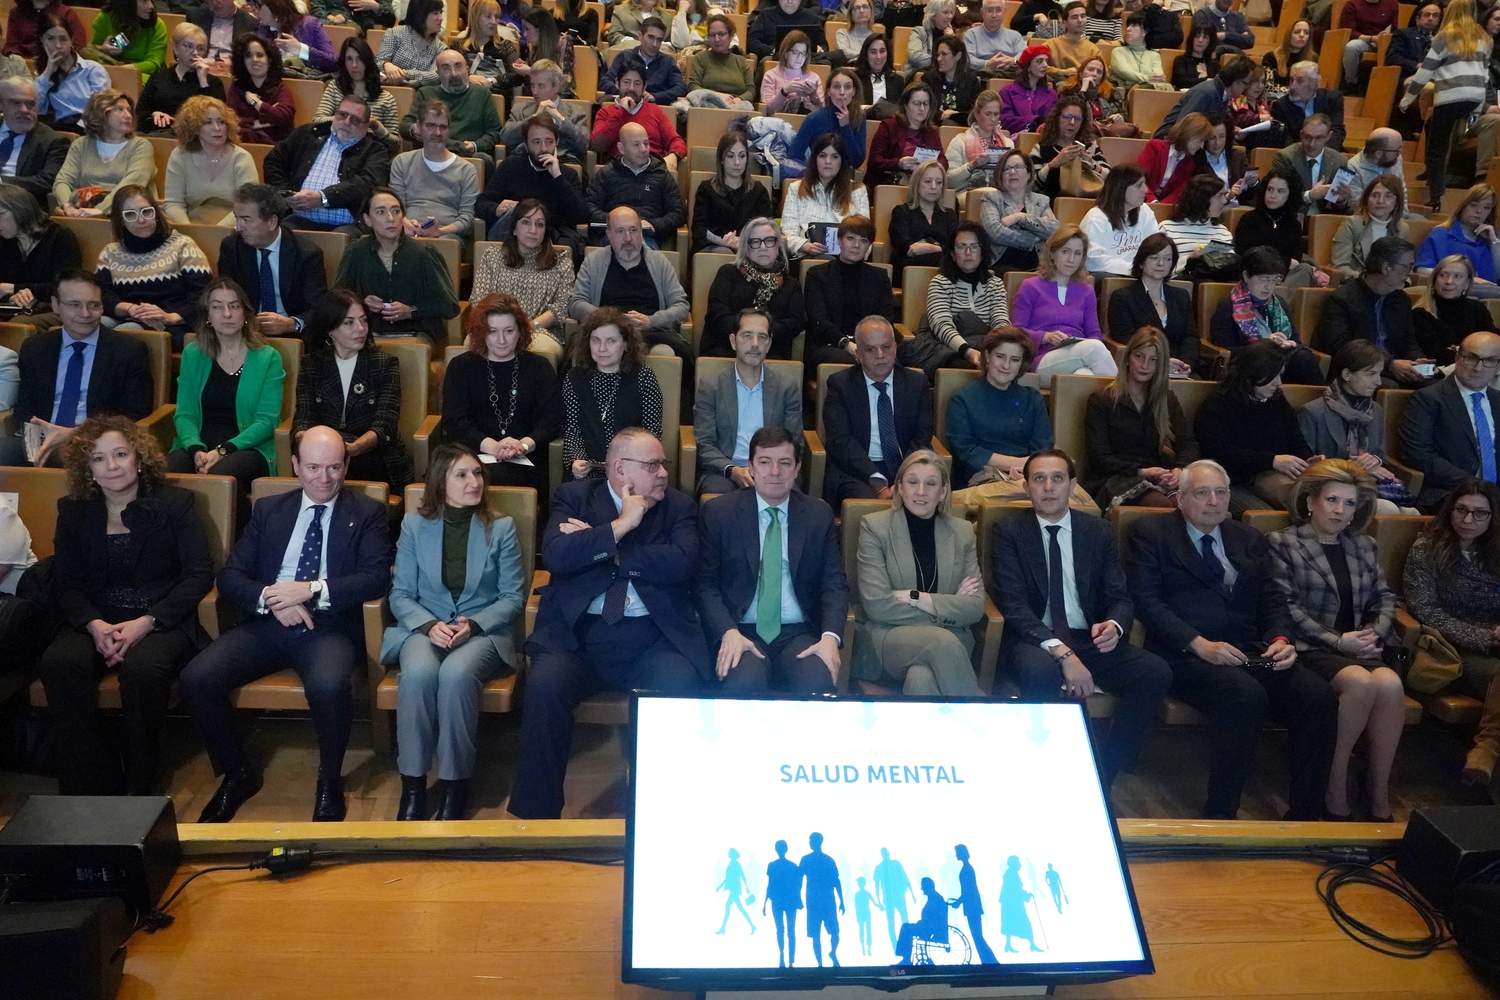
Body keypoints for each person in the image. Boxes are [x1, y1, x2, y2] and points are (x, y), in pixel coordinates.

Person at [181, 425, 390, 823]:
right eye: (313, 467)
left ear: (346, 466)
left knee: (330, 686)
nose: (323, 478)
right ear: (295, 465)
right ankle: (236, 771)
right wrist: (272, 598)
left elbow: (375, 577)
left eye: (333, 467)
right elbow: (231, 576)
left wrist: (308, 590)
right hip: (267, 621)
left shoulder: (367, 513)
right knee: (197, 677)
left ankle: (330, 779)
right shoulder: (269, 510)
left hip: (327, 626)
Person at [1124, 458, 1338, 819]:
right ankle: (1221, 812)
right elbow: (1146, 603)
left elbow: (1273, 598)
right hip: (1186, 655)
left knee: (1318, 696)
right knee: (1244, 694)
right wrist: (1198, 643)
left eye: (1221, 492)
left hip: (1250, 650)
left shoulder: (1249, 537)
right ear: (1181, 499)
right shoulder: (1151, 534)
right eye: (1202, 493)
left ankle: (1306, 815)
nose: (1214, 501)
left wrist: (1282, 638)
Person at [508, 426, 705, 818]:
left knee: (679, 683)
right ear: (619, 469)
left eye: (663, 463)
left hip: (652, 638)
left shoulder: (678, 507)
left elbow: (683, 564)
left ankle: (662, 813)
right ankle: (535, 817)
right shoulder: (575, 496)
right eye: (653, 465)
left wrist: (604, 545)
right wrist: (620, 525)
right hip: (579, 637)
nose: (664, 472)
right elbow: (560, 555)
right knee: (545, 685)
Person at [38, 416, 210, 795]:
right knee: (60, 662)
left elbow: (198, 574)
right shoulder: (74, 510)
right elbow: (66, 582)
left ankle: (140, 779)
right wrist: (94, 625)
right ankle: (87, 782)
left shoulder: (175, 504)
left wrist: (146, 622)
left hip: (160, 618)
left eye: (120, 454)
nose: (112, 466)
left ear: (139, 458)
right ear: (88, 468)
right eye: (99, 459)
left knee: (144, 669)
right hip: (96, 618)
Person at [992, 448, 1172, 787]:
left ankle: (1106, 773)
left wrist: (1115, 626)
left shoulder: (1097, 531)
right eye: (1039, 479)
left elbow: (1119, 595)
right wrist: (1063, 652)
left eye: (1057, 479)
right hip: (1036, 639)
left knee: (1153, 671)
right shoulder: (1010, 531)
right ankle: (1042, 772)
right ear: (1027, 487)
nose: (1048, 487)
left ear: (1072, 485)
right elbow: (1014, 605)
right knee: (1038, 671)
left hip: (1088, 636)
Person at [382, 443, 522, 821]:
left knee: (457, 675)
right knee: (420, 675)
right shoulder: (414, 524)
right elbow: (400, 594)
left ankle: (454, 785)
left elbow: (512, 597)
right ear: (440, 482)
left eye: (477, 473)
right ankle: (412, 785)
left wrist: (472, 624)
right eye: (462, 475)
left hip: (481, 631)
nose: (474, 481)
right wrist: (429, 626)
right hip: (423, 626)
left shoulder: (501, 527)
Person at [1268, 460, 1402, 820]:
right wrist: (1340, 641)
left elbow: (1385, 597)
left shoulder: (1363, 546)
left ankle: (1378, 790)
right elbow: (1286, 607)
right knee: (1359, 682)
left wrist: (1377, 630)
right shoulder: (1284, 543)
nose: (1340, 511)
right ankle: (1335, 783)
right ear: (1311, 502)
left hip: (1361, 645)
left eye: (1349, 503)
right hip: (1314, 648)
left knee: (1390, 684)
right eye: (1332, 500)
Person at [698, 427, 847, 693]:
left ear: (797, 468)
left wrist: (830, 638)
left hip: (799, 633)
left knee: (816, 681)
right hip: (741, 631)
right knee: (743, 682)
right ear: (751, 467)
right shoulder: (720, 513)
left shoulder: (817, 514)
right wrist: (727, 631)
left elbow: (833, 583)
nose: (775, 472)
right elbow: (705, 586)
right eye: (765, 462)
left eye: (784, 463)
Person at [852, 450, 984, 695]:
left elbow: (975, 607)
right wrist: (948, 608)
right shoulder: (875, 527)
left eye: (931, 483)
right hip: (889, 638)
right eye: (912, 482)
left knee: (921, 678)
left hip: (948, 643)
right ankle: (982, 720)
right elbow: (878, 606)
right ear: (900, 487)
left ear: (943, 491)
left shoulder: (962, 532)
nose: (921, 491)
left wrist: (918, 598)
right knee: (941, 641)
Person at [0, 270, 152, 469]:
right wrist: (43, 437)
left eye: (94, 305)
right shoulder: (35, 347)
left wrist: (77, 434)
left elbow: (133, 414)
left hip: (98, 442)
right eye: (74, 305)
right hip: (42, 438)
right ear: (55, 305)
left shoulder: (128, 350)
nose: (85, 314)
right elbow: (24, 407)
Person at [1404, 480, 1500, 791]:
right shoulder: (1427, 549)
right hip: (1457, 646)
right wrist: (1485, 638)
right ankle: (1487, 749)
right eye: (1462, 510)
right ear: (1450, 510)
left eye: (1479, 513)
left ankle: (1487, 749)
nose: (1468, 520)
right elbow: (1425, 610)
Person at [167, 278, 284, 504]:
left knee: (220, 476)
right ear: (208, 316)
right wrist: (195, 449)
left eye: (234, 306)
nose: (227, 314)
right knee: (168, 473)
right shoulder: (194, 354)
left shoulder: (268, 357)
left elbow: (267, 421)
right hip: (198, 443)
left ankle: (230, 539)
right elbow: (185, 413)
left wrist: (223, 451)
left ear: (245, 314)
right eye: (217, 307)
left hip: (248, 447)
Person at [294, 288, 415, 489]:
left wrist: (351, 449)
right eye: (349, 323)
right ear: (330, 329)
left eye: (364, 320)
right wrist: (306, 441)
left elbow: (385, 425)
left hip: (373, 454)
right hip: (325, 454)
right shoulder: (312, 365)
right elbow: (304, 418)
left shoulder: (383, 364)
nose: (360, 328)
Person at [439, 293, 559, 492]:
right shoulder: (461, 366)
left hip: (525, 457)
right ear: (481, 333)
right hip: (471, 454)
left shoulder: (539, 367)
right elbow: (454, 421)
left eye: (509, 331)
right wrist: (493, 447)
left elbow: (551, 420)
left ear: (520, 331)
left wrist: (523, 445)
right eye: (493, 332)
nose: (501, 340)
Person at [822, 316, 933, 505]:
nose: (880, 355)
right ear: (858, 353)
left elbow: (922, 437)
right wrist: (878, 482)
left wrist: (903, 478)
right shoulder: (840, 385)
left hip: (906, 465)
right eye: (870, 349)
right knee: (872, 507)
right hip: (858, 470)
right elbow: (841, 442)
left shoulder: (916, 383)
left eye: (886, 347)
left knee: (924, 496)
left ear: (895, 347)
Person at [1194, 341, 1317, 512]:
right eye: (1273, 376)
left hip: (1274, 473)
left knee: (1317, 492)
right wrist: (1272, 461)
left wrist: (1308, 459)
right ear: (1252, 374)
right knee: (1286, 503)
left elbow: (1295, 438)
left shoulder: (1277, 400)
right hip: (1237, 480)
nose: (1278, 383)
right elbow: (1220, 454)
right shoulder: (1218, 405)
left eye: (1280, 375)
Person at [692, 309, 804, 496]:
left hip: (774, 469)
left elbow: (794, 440)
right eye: (747, 336)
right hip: (725, 471)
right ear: (733, 341)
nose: (754, 344)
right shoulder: (712, 385)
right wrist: (733, 469)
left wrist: (769, 468)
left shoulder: (786, 386)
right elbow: (704, 443)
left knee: (794, 506)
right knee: (720, 504)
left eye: (762, 337)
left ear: (769, 344)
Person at [1085, 327, 1199, 509]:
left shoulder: (1167, 399)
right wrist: (1141, 471)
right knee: (1162, 505)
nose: (1145, 365)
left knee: (1194, 505)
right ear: (1128, 358)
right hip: (1114, 478)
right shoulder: (1102, 400)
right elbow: (1100, 457)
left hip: (1158, 476)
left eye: (1153, 360)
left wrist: (1179, 470)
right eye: (1139, 356)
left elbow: (1188, 444)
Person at [333, 187, 460, 346]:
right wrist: (362, 304)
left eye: (396, 211)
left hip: (415, 332)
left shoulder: (424, 253)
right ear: (367, 219)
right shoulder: (356, 251)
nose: (390, 218)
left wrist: (412, 311)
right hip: (367, 331)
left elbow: (449, 306)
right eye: (381, 212)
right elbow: (337, 300)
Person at [1298, 341, 1412, 512]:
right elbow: (1307, 467)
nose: (1378, 381)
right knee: (1389, 510)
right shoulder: (1312, 412)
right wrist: (1353, 467)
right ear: (1347, 374)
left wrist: (1375, 461)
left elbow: (1379, 453)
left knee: (1412, 512)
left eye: (1379, 374)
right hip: (1333, 491)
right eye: (1371, 374)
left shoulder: (1376, 410)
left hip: (1369, 484)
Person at [96, 184, 212, 350]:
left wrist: (170, 317)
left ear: (156, 213)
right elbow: (101, 295)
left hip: (172, 324)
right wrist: (129, 309)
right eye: (130, 214)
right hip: (126, 316)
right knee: (91, 326)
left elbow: (204, 296)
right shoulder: (110, 252)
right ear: (120, 220)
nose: (141, 220)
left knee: (126, 334)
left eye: (147, 211)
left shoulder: (183, 246)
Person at [1398, 0, 1491, 204]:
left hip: (1451, 96)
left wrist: (1407, 99)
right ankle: (1432, 173)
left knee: (1436, 148)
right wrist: (1478, 106)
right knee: (1433, 124)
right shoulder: (1484, 38)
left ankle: (1435, 194)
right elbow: (1484, 76)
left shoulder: (1444, 37)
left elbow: (1425, 72)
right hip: (1474, 96)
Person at [567, 206, 690, 359]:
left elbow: (682, 306)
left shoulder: (660, 262)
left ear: (641, 233)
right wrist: (610, 319)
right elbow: (575, 303)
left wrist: (652, 320)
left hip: (650, 333)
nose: (628, 238)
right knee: (575, 353)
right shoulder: (594, 261)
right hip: (604, 331)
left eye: (633, 230)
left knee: (671, 354)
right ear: (609, 234)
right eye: (620, 231)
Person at [560, 309, 664, 482]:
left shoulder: (643, 376)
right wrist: (575, 460)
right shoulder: (574, 377)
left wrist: (631, 464)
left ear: (625, 344)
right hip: (587, 471)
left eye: (611, 341)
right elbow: (572, 430)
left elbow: (651, 431)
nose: (602, 348)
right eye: (596, 341)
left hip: (633, 470)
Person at [1400, 331, 1500, 511]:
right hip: (1449, 491)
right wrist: (1476, 485)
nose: (1478, 368)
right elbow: (1418, 455)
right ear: (1458, 357)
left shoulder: (1498, 401)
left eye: (1489, 361)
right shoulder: (1427, 399)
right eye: (1471, 358)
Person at [470, 199, 573, 366]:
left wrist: (528, 327)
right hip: (494, 327)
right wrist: (504, 329)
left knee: (543, 350)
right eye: (526, 222)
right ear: (515, 228)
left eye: (540, 225)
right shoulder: (492, 257)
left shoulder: (561, 261)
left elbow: (561, 306)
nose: (533, 230)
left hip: (540, 330)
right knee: (474, 344)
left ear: (546, 231)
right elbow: (479, 301)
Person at [217, 184, 327, 341]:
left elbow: (319, 308)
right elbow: (226, 295)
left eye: (246, 220)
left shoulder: (306, 254)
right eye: (237, 218)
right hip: (245, 331)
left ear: (271, 222)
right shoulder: (232, 247)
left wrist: (291, 323)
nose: (238, 227)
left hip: (293, 333)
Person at [1319, 237, 1432, 386]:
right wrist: (1389, 363)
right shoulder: (1342, 298)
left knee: (1435, 386)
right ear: (1386, 268)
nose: (1410, 274)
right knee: (1389, 385)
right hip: (1359, 369)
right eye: (1407, 267)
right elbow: (1342, 346)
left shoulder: (1401, 299)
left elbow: (1408, 341)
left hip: (1395, 365)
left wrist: (1417, 361)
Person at [1209, 247, 1326, 387]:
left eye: (1273, 280)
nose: (1268, 287)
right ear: (1246, 276)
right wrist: (1265, 346)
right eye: (1263, 279)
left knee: (1303, 357)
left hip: (1282, 362)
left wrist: (1288, 344)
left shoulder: (1279, 304)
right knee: (1301, 360)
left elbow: (1295, 340)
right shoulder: (1228, 305)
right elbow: (1226, 350)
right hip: (1249, 366)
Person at [477, 114, 590, 258]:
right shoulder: (510, 167)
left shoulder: (567, 174)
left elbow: (582, 216)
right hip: (514, 238)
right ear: (526, 144)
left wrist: (557, 176)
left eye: (549, 142)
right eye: (536, 142)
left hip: (550, 241)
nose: (543, 148)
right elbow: (481, 204)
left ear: (557, 142)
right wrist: (497, 209)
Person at [1013, 226, 1119, 377]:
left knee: (1085, 375)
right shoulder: (1030, 286)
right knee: (1095, 349)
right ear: (1052, 254)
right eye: (1065, 252)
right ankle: (1121, 397)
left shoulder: (1086, 291)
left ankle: (1112, 399)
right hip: (1042, 359)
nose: (1071, 259)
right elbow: (1017, 332)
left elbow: (1094, 334)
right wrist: (1045, 337)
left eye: (1077, 254)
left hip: (1080, 354)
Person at [703, 219, 805, 360]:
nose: (763, 247)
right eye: (755, 241)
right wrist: (748, 334)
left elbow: (795, 323)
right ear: (746, 246)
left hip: (772, 352)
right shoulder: (728, 273)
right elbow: (717, 316)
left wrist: (762, 335)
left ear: (778, 246)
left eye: (769, 240)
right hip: (727, 349)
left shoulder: (791, 284)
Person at [912, 224, 1008, 374]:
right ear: (952, 253)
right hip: (949, 349)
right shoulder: (940, 282)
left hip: (986, 346)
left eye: (974, 246)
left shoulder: (995, 283)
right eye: (961, 247)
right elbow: (941, 325)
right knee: (964, 366)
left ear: (983, 252)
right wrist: (967, 351)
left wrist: (995, 350)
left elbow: (1000, 321)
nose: (968, 252)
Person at [803, 216, 894, 368]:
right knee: (856, 361)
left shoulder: (879, 277)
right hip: (828, 345)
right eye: (850, 238)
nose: (857, 245)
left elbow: (885, 319)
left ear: (869, 246)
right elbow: (818, 320)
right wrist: (846, 344)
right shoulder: (817, 274)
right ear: (840, 240)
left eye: (864, 240)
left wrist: (868, 347)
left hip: (870, 346)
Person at [389, 99, 481, 243]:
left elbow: (467, 219)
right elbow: (395, 207)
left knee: (444, 244)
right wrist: (405, 224)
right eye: (431, 126)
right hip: (408, 231)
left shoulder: (466, 170)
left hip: (446, 235)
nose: (437, 132)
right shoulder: (402, 162)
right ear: (418, 127)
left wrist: (439, 231)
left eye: (443, 127)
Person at [51, 89, 153, 217]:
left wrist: (101, 210)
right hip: (81, 212)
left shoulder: (141, 146)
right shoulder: (81, 144)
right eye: (120, 109)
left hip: (127, 213)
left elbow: (132, 184)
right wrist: (67, 205)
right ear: (101, 113)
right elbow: (62, 181)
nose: (128, 115)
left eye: (129, 110)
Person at [161, 97, 257, 227]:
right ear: (193, 127)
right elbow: (174, 203)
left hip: (234, 228)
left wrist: (215, 232)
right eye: (208, 122)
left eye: (221, 122)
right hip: (190, 226)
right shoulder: (180, 155)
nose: (217, 128)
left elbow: (248, 205)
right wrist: (189, 231)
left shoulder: (241, 158)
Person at [1107, 235, 1197, 374]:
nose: (1161, 263)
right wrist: (1162, 362)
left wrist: (1185, 364)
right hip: (1142, 367)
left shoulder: (1181, 296)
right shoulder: (1123, 297)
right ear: (1141, 262)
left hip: (1179, 368)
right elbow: (1126, 338)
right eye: (1154, 258)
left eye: (1167, 259)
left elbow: (1190, 337)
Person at [587, 121, 684, 246]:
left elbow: (678, 212)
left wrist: (654, 224)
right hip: (614, 237)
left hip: (646, 237)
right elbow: (589, 207)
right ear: (621, 148)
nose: (643, 149)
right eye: (636, 145)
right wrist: (616, 221)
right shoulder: (606, 174)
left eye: (646, 143)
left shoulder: (661, 174)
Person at [397, 50, 503, 163]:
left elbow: (494, 132)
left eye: (458, 66)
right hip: (434, 152)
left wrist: (474, 145)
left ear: (467, 69)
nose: (454, 73)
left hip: (470, 155)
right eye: (446, 68)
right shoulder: (425, 93)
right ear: (438, 73)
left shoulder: (482, 94)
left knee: (484, 159)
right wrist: (414, 129)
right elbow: (405, 126)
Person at [0, 183, 83, 323]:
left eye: (0, 214)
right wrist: (13, 294)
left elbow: (67, 287)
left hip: (54, 307)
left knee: (19, 324)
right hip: (13, 307)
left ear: (20, 210)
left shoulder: (60, 237)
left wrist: (16, 288)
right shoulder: (4, 240)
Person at [781, 134, 870, 259]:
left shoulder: (857, 191)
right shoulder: (796, 188)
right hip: (807, 255)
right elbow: (788, 232)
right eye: (822, 156)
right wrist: (804, 245)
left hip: (846, 258)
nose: (828, 161)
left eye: (834, 157)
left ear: (842, 161)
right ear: (815, 159)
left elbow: (865, 233)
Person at [589, 63, 685, 170]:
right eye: (626, 82)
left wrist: (674, 156)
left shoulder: (655, 111)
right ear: (617, 83)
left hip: (652, 169)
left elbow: (677, 141)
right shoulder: (606, 112)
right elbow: (597, 145)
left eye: (637, 84)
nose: (631, 88)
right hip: (619, 170)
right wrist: (620, 111)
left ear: (644, 87)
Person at [693, 130, 773, 255]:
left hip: (751, 246)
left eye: (742, 156)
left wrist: (744, 241)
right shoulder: (706, 189)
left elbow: (767, 229)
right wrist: (723, 242)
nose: (737, 162)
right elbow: (699, 230)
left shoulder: (758, 190)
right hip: (714, 246)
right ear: (721, 159)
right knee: (724, 253)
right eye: (730, 156)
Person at [137, 23, 225, 133]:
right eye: (188, 46)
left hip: (196, 139)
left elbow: (216, 121)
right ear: (175, 47)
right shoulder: (159, 77)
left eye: (201, 48)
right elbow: (140, 113)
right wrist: (154, 114)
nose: (195, 53)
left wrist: (203, 82)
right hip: (160, 134)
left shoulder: (213, 83)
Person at [978, 151, 1056, 273]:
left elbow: (1054, 230)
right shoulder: (991, 198)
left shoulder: (1040, 201)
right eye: (1007, 169)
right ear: (1000, 175)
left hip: (1037, 268)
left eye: (1018, 167)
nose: (1012, 172)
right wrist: (1034, 238)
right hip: (1001, 265)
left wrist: (1021, 218)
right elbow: (996, 232)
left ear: (1029, 173)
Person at [1415, 184, 1500, 296]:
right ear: (1463, 206)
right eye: (1474, 205)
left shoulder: (1491, 239)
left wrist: (1494, 242)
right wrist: (1464, 279)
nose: (1479, 211)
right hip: (1453, 295)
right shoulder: (1441, 234)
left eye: (1486, 208)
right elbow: (1421, 270)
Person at [498, 60, 590, 162]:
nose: (535, 91)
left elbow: (583, 145)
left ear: (556, 86)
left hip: (562, 164)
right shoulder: (520, 109)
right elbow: (505, 138)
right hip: (525, 163)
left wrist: (561, 119)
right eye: (532, 85)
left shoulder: (576, 111)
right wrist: (533, 118)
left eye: (541, 86)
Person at [315, 37, 400, 148]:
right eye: (349, 59)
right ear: (344, 62)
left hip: (368, 154)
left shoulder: (386, 98)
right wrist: (344, 119)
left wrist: (377, 127)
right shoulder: (335, 88)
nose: (354, 65)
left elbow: (395, 145)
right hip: (337, 147)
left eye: (359, 59)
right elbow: (317, 121)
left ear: (367, 61)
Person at [1031, 93, 1113, 204]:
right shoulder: (1041, 148)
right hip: (1051, 207)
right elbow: (1031, 186)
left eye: (1078, 119)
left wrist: (1092, 164)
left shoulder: (1090, 146)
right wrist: (1054, 164)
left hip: (1089, 205)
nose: (1072, 123)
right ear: (1057, 118)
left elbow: (1112, 180)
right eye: (1068, 117)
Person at [0, 78, 71, 207]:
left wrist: (2, 182)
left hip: (20, 208)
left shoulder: (54, 141)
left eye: (30, 104)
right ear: (1, 104)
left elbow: (46, 182)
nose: (24, 110)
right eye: (16, 103)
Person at [1079, 165, 1158, 277]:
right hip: (1110, 275)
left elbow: (1156, 246)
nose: (1145, 189)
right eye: (1139, 185)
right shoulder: (1096, 217)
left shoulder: (1145, 211)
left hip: (1140, 274)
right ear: (1121, 188)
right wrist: (1135, 269)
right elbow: (1093, 260)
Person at [1154, 54, 1257, 139]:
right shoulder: (1207, 92)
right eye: (1246, 83)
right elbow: (1185, 127)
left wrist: (1229, 131)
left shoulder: (1221, 93)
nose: (1246, 88)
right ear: (1236, 81)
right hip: (1168, 142)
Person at [34, 13, 108, 129]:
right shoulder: (42, 75)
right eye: (50, 39)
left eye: (63, 39)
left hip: (89, 129)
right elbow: (35, 109)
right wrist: (48, 71)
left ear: (71, 41)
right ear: (42, 42)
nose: (58, 45)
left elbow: (102, 109)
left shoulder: (92, 70)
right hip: (59, 128)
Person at [1413, 254, 1491, 363]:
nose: (1449, 281)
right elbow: (1435, 355)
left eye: (1457, 276)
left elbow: (1491, 343)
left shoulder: (1477, 309)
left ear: (1467, 283)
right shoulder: (1420, 313)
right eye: (1443, 275)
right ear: (1434, 280)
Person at [1331, 174, 1408, 284]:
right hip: (1357, 284)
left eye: (1388, 196)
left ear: (1397, 203)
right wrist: (1369, 280)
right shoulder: (1352, 224)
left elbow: (1402, 266)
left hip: (1390, 287)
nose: (1380, 201)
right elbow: (1340, 266)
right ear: (1367, 199)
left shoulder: (1402, 229)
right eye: (1375, 195)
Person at [867, 82, 946, 188]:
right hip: (891, 183)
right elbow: (874, 161)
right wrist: (898, 164)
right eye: (917, 103)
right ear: (905, 105)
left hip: (923, 183)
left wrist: (930, 167)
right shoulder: (889, 126)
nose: (922, 109)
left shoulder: (932, 131)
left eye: (925, 104)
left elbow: (943, 161)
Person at [789, 67, 867, 172]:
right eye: (836, 87)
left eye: (847, 87)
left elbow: (856, 161)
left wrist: (845, 127)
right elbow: (794, 156)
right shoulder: (814, 118)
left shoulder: (859, 117)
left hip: (844, 178)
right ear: (829, 92)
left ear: (853, 92)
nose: (842, 92)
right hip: (815, 175)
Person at [890, 161, 958, 282]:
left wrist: (927, 247)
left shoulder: (949, 215)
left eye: (939, 182)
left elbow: (955, 248)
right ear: (917, 184)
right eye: (927, 181)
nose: (933, 186)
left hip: (943, 272)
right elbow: (908, 249)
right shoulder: (901, 212)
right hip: (908, 270)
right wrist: (940, 248)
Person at [1271, 114, 1348, 217]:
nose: (1312, 144)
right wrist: (1310, 196)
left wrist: (1340, 201)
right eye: (1308, 137)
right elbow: (1278, 197)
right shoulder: (1285, 157)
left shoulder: (1340, 161)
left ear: (1329, 136)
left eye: (1319, 138)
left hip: (1323, 221)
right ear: (1301, 134)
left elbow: (1341, 208)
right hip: (1291, 217)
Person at [225, 34, 295, 145]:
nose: (254, 60)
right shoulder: (236, 87)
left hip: (275, 149)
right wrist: (262, 122)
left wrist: (256, 103)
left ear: (270, 59)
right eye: (248, 56)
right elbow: (231, 121)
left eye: (260, 55)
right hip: (243, 147)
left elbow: (283, 118)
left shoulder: (280, 88)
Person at [601, 19, 685, 105]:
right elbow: (605, 81)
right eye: (651, 37)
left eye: (659, 40)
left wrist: (655, 96)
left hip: (655, 107)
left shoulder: (668, 62)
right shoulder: (625, 56)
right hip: (625, 102)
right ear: (640, 36)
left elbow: (680, 88)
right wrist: (624, 92)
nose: (655, 44)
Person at [681, 14, 754, 110]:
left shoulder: (741, 61)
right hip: (706, 104)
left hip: (735, 105)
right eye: (712, 35)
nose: (716, 39)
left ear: (731, 36)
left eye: (721, 34)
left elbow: (751, 90)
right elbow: (693, 86)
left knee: (747, 107)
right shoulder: (700, 58)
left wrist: (739, 99)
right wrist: (717, 96)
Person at [945, 91, 1012, 194]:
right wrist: (971, 165)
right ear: (977, 114)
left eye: (996, 114)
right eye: (988, 114)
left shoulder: (1008, 144)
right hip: (968, 193)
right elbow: (949, 180)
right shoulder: (960, 141)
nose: (993, 119)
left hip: (1001, 193)